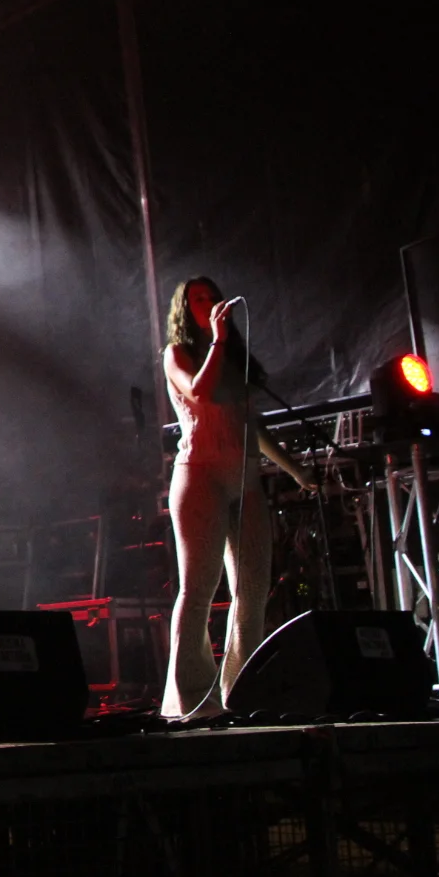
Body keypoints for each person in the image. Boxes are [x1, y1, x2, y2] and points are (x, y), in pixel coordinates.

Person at [159, 276, 317, 720]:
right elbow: (199, 391)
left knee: (253, 588)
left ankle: (241, 690)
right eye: (198, 299)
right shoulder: (176, 354)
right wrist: (217, 340)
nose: (209, 304)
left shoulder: (236, 360)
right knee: (199, 588)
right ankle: (191, 698)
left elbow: (254, 428)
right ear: (184, 309)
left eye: (212, 296)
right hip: (200, 476)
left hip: (244, 480)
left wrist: (295, 470)